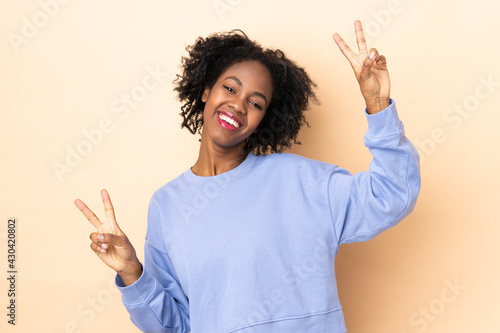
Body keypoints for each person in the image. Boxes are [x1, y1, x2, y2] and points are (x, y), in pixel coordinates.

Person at [75, 21, 421, 333]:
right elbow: (176, 327)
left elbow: (392, 194)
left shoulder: (301, 181)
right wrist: (132, 272)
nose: (238, 105)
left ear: (264, 120)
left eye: (255, 103)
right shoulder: (166, 205)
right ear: (205, 91)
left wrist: (378, 105)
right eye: (230, 89)